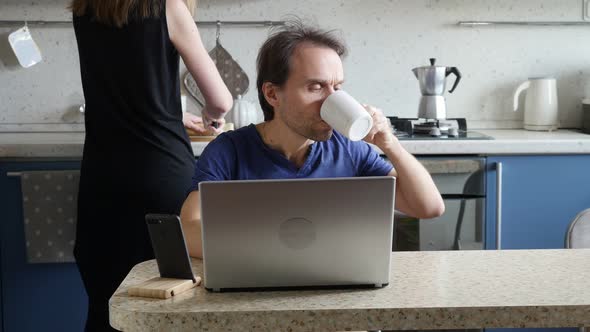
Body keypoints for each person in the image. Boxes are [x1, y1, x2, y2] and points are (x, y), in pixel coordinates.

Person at [180, 20, 445, 259]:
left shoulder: (350, 150)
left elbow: (429, 207)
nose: (331, 99)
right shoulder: (229, 150)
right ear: (273, 94)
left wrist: (391, 145)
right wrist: (270, 253)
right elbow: (189, 229)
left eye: (337, 87)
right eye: (315, 87)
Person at [70, 0, 233, 330]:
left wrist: (171, 115)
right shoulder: (167, 7)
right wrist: (211, 117)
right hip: (160, 172)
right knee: (172, 296)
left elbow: (124, 87)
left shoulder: (85, 7)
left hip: (102, 178)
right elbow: (220, 99)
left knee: (108, 299)